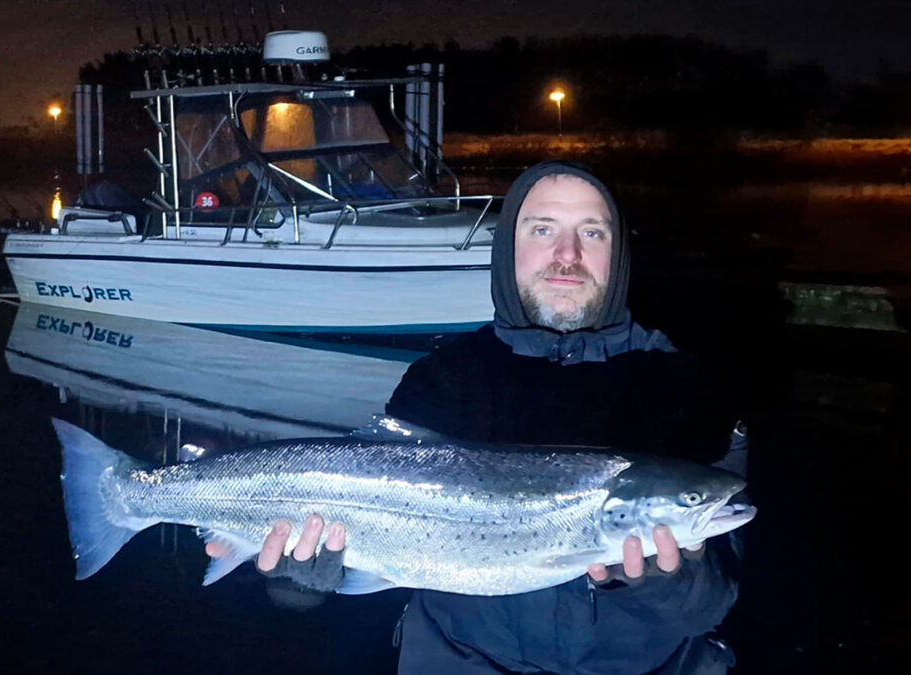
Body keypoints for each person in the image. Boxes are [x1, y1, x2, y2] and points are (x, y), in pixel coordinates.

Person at [208, 161, 746, 673]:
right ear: (507, 250)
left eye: (593, 233)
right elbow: (361, 551)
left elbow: (713, 605)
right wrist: (298, 582)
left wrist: (665, 578)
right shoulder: (445, 377)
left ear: (618, 253)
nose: (567, 253)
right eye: (541, 231)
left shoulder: (691, 389)